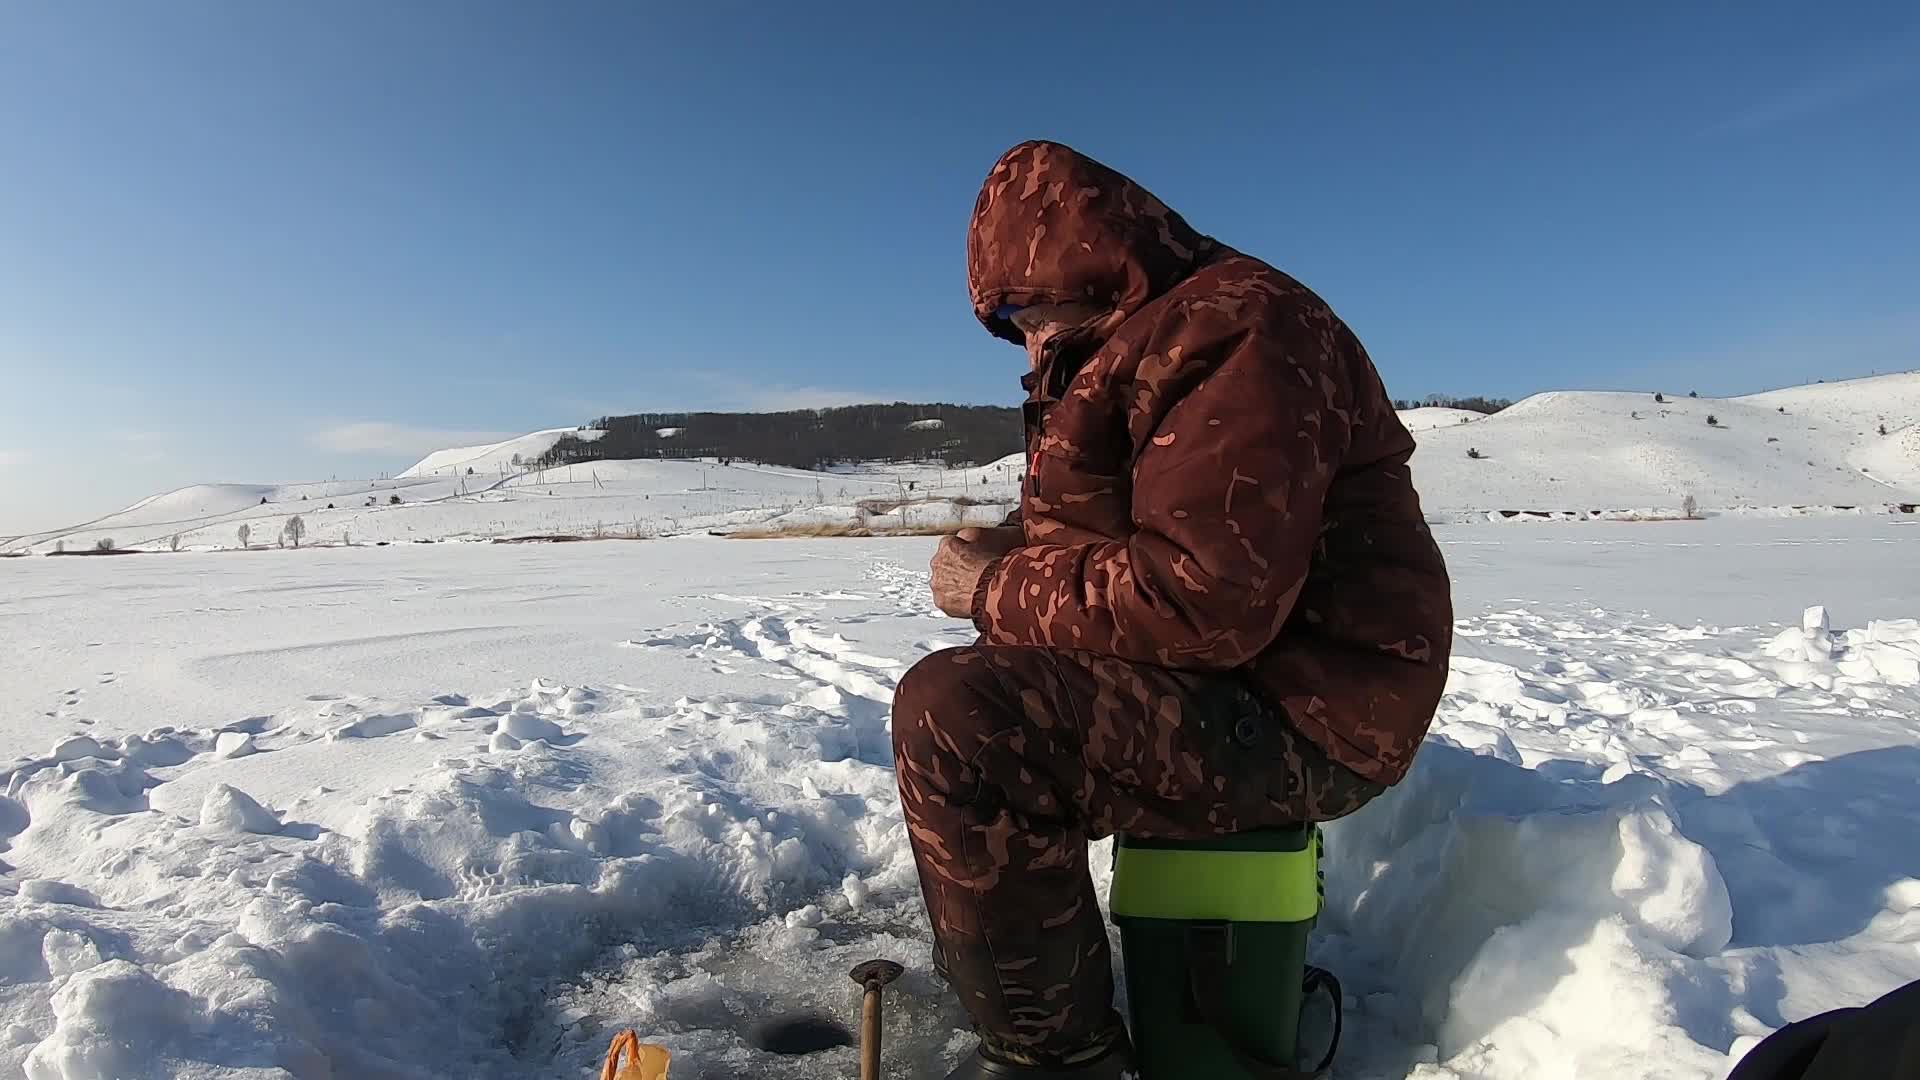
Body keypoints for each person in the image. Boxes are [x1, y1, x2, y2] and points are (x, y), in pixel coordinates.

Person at [889, 140, 1454, 1079]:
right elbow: (1115, 524)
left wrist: (990, 589)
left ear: (1083, 264)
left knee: (962, 719)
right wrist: (1012, 546)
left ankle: (1059, 1061)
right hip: (1249, 680)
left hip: (1310, 708)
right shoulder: (1129, 344)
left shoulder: (1238, 331)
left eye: (1028, 310)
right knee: (982, 699)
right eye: (1009, 325)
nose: (1027, 342)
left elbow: (1204, 600)